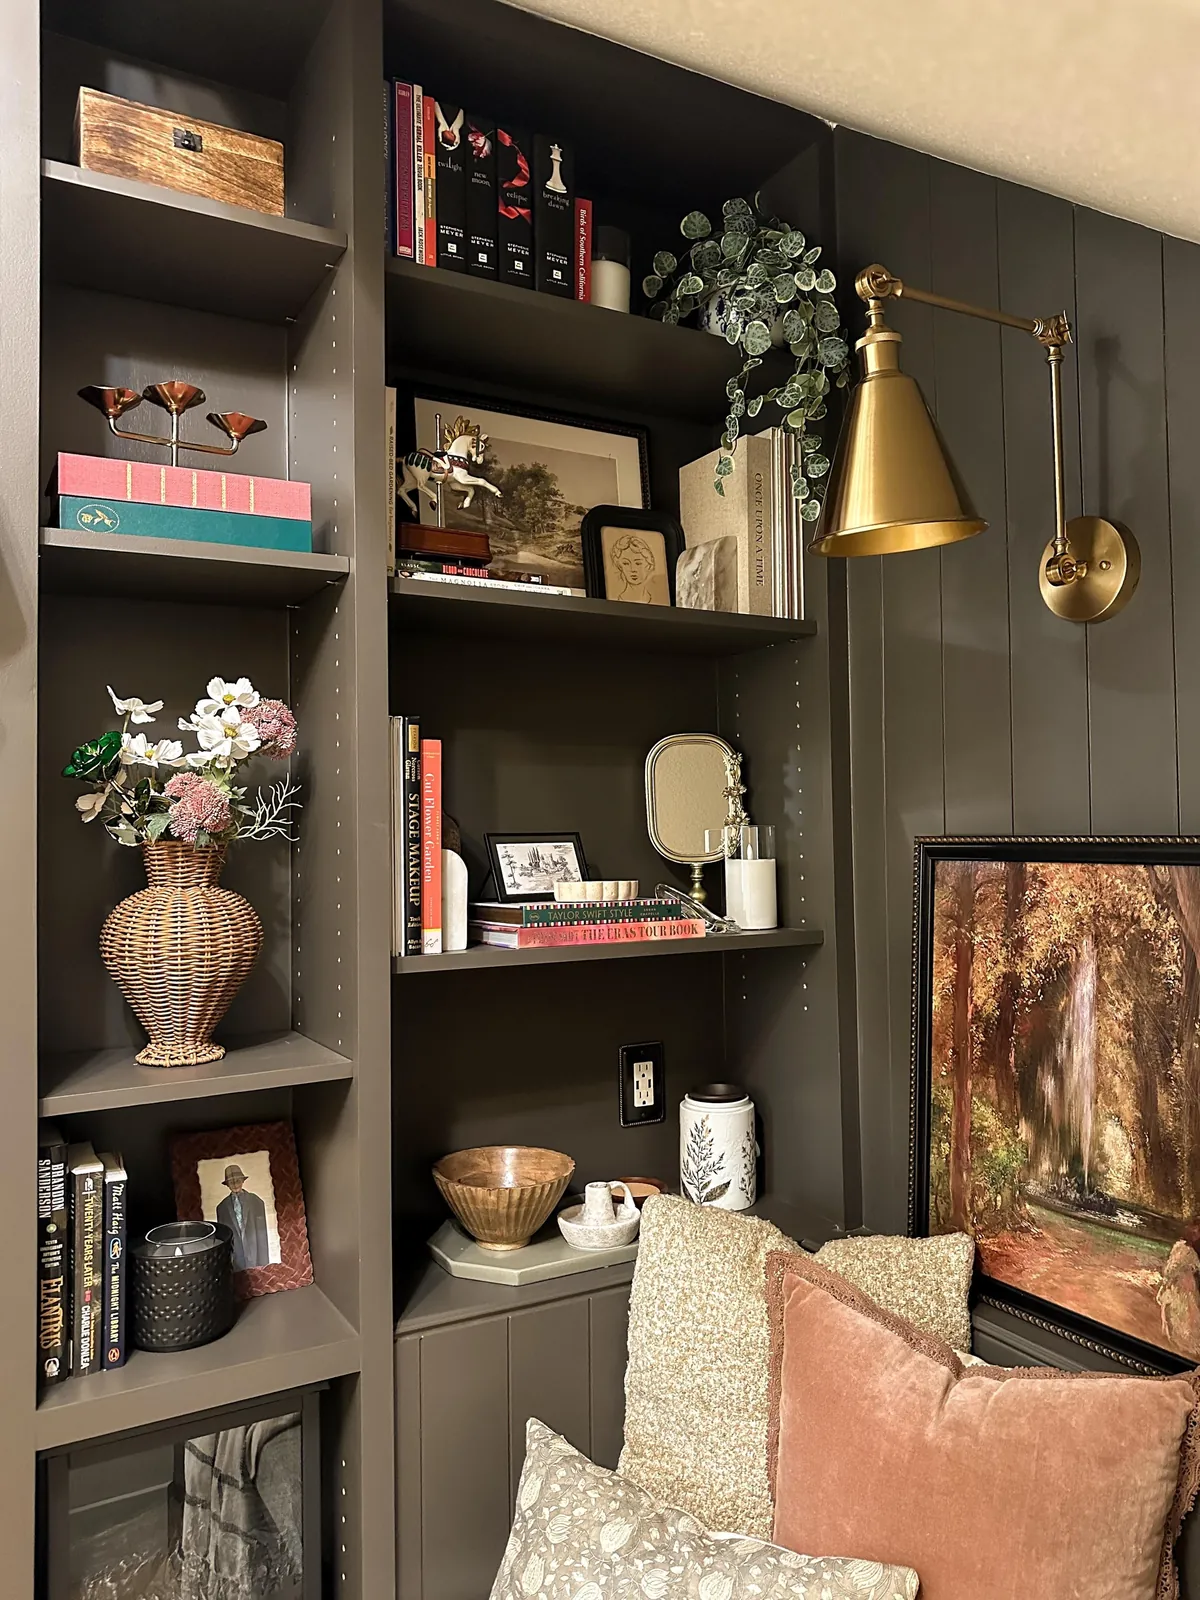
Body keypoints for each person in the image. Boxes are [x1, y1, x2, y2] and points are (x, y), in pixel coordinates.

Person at [1157, 1221, 1200, 1359]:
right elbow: (1171, 1270)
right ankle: (1176, 1343)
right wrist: (1167, 1283)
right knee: (1178, 1312)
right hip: (1179, 1286)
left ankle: (1183, 1343)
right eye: (1195, 1232)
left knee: (1189, 1314)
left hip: (1187, 1286)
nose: (1197, 1235)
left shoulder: (1191, 1250)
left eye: (1198, 1232)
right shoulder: (1183, 1248)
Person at [216, 1164, 271, 1271]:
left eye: (238, 1180)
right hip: (236, 1255)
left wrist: (265, 1264)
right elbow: (223, 1238)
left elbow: (262, 1234)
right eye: (231, 1182)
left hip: (254, 1252)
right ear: (227, 1184)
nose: (235, 1184)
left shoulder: (256, 1201)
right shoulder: (221, 1207)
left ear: (243, 1180)